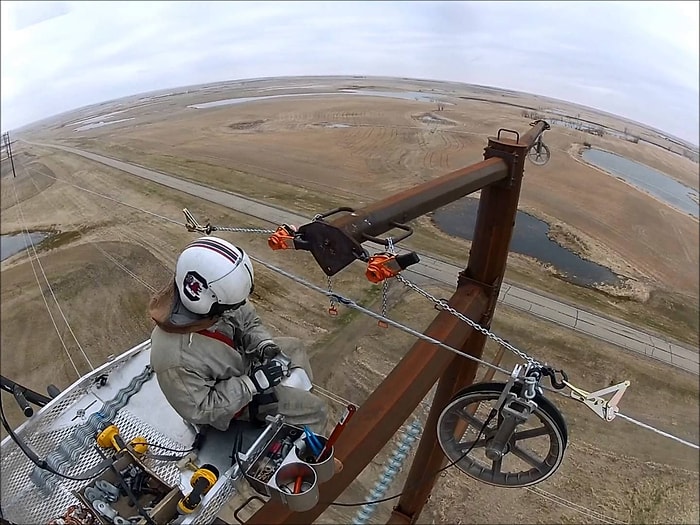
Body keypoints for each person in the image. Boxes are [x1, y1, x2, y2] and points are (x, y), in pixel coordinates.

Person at [148, 236, 328, 434]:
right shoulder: (173, 359)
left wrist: (264, 345)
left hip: (242, 368)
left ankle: (295, 398)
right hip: (235, 405)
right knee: (316, 410)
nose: (235, 308)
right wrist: (252, 384)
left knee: (294, 347)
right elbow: (200, 409)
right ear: (206, 302)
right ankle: (307, 453)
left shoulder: (216, 303)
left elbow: (248, 319)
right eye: (231, 306)